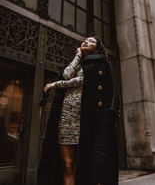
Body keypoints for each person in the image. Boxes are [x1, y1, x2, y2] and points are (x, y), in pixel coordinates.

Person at [37, 36, 120, 185]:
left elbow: (86, 81)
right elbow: (67, 75)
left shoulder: (102, 64)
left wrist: (54, 84)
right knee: (68, 166)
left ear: (97, 48)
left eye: (92, 41)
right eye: (85, 40)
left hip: (86, 119)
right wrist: (78, 55)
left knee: (90, 165)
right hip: (66, 117)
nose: (86, 41)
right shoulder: (77, 64)